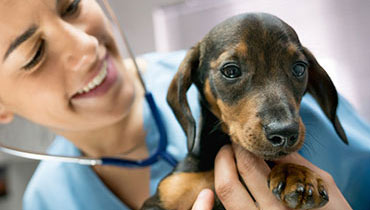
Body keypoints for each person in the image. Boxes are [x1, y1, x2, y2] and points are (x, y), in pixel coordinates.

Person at [0, 1, 368, 210]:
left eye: (71, 5)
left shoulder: (299, 109)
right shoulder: (49, 201)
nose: (84, 45)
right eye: (34, 54)